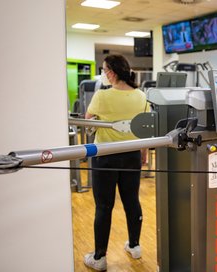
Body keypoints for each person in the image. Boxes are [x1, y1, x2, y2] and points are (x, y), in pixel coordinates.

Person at [83, 54, 149, 271]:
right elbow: (145, 129)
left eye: (104, 70)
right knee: (132, 200)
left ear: (111, 72)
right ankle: (135, 245)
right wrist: (144, 152)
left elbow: (88, 120)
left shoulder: (102, 97)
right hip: (131, 155)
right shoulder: (141, 96)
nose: (104, 74)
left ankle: (100, 257)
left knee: (104, 206)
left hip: (105, 156)